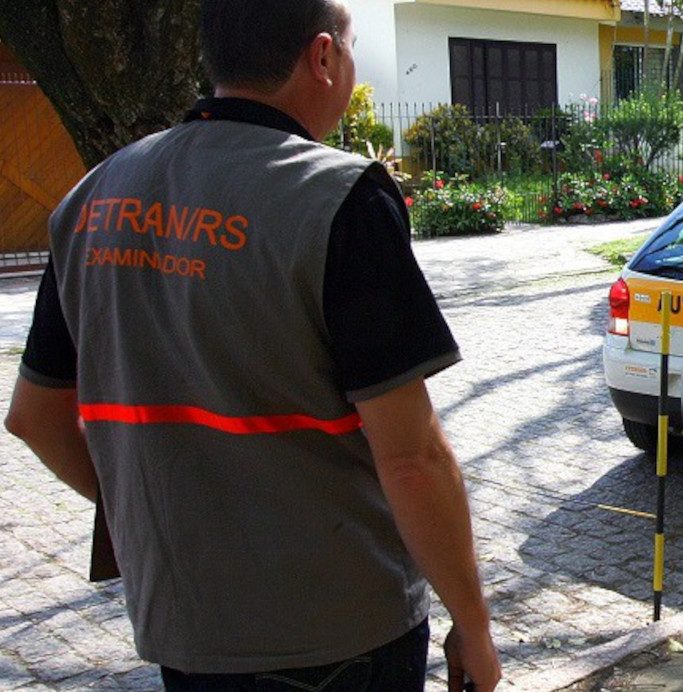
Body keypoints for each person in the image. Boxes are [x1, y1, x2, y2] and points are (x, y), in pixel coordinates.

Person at [4, 0, 501, 689]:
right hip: (340, 634)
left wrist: (143, 513)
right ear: (323, 57)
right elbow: (413, 458)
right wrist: (472, 624)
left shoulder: (92, 196)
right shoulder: (338, 196)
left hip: (185, 627)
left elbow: (31, 416)